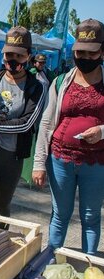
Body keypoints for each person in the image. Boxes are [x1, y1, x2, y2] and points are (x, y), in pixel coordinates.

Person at [32, 19, 104, 255]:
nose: (84, 57)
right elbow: (46, 123)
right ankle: (51, 262)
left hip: (96, 163)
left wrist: (102, 131)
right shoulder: (61, 82)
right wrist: (38, 164)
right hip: (60, 160)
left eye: (91, 53)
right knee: (59, 215)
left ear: (102, 52)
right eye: (79, 52)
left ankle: (89, 265)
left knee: (91, 217)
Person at [0, 26, 46, 230]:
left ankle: (0, 238)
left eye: (18, 55)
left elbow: (26, 123)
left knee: (2, 204)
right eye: (8, 54)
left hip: (12, 155)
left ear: (28, 56)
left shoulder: (35, 86)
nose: (12, 60)